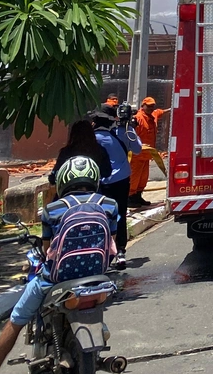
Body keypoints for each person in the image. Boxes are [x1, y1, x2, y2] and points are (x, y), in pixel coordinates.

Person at [0, 156, 119, 374]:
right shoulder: (109, 205)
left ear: (63, 181)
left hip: (56, 278)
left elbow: (46, 250)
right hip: (98, 276)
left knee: (17, 318)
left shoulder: (53, 209)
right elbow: (111, 243)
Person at [92, 107, 141, 269]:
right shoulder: (122, 132)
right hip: (120, 181)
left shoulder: (90, 138)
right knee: (120, 214)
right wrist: (131, 129)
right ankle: (120, 251)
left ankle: (99, 251)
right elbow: (138, 149)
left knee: (99, 216)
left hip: (98, 183)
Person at [48, 119, 111, 188]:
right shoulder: (100, 150)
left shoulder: (66, 152)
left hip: (69, 189)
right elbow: (107, 172)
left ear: (73, 134)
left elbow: (54, 176)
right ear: (92, 134)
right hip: (92, 188)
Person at [129, 96, 168, 207]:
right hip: (137, 156)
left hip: (147, 156)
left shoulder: (153, 116)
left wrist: (173, 109)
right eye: (149, 106)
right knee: (134, 178)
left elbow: (160, 112)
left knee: (143, 179)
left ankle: (138, 197)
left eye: (152, 106)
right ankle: (130, 199)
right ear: (143, 106)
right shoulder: (138, 119)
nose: (151, 108)